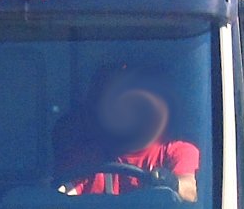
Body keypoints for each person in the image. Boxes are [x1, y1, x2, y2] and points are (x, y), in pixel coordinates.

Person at [52, 68, 200, 200]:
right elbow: (61, 197)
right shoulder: (88, 157)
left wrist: (170, 182)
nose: (126, 111)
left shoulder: (176, 151)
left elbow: (190, 193)